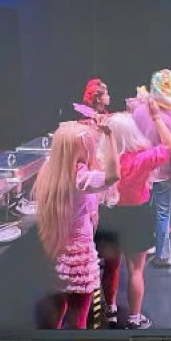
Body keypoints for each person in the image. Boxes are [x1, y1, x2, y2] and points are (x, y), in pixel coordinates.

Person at [100, 101, 171, 329]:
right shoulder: (142, 159)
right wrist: (157, 117)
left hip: (109, 214)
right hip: (137, 215)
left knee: (110, 266)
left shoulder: (101, 160)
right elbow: (169, 144)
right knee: (136, 270)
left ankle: (110, 309)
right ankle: (135, 318)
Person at [33, 120, 119, 329]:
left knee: (58, 309)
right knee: (79, 319)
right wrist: (109, 136)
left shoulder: (51, 169)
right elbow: (113, 176)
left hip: (55, 248)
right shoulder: (78, 177)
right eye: (88, 144)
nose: (92, 147)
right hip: (78, 253)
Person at [131, 69, 171, 269]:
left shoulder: (139, 110)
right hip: (161, 172)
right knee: (163, 213)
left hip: (142, 170)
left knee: (147, 210)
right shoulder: (170, 117)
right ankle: (163, 255)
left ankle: (149, 245)